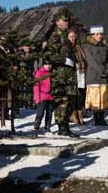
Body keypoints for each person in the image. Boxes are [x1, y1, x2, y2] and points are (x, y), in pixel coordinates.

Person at [44, 8, 79, 138]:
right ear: (58, 22)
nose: (67, 22)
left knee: (70, 101)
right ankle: (62, 127)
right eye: (64, 20)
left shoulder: (65, 35)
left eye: (67, 20)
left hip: (68, 75)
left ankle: (65, 126)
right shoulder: (55, 36)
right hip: (60, 75)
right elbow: (49, 55)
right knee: (62, 101)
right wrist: (64, 60)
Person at [84, 26, 108, 126]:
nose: (99, 36)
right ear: (93, 35)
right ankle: (97, 119)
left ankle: (102, 118)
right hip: (94, 75)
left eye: (100, 34)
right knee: (95, 99)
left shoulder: (105, 46)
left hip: (104, 76)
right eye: (97, 34)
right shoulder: (88, 46)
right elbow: (91, 61)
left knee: (102, 98)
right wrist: (101, 71)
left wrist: (107, 70)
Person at [68, 29, 87, 125]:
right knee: (72, 95)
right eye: (70, 37)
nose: (72, 38)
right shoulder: (66, 47)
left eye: (74, 36)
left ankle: (80, 115)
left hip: (80, 72)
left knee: (80, 94)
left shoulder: (79, 48)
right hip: (71, 73)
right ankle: (73, 115)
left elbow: (84, 59)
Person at [33, 58, 54, 132]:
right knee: (41, 112)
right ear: (43, 65)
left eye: (49, 65)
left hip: (50, 96)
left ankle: (47, 127)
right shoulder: (39, 73)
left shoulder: (51, 73)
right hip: (42, 95)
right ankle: (36, 125)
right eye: (46, 64)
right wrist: (36, 98)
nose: (48, 66)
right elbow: (36, 86)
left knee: (49, 112)